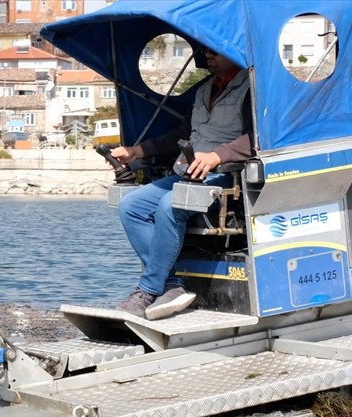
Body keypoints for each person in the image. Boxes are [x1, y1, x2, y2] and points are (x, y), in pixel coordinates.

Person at [109, 46, 254, 320]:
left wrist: (216, 156)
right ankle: (172, 284)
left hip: (223, 175)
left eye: (216, 51)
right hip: (187, 175)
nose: (208, 56)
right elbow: (181, 134)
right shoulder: (203, 91)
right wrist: (137, 151)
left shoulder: (251, 90)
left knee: (169, 204)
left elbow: (255, 138)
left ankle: (148, 289)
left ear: (235, 53)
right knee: (131, 206)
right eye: (206, 52)